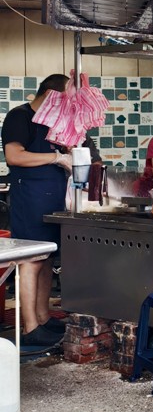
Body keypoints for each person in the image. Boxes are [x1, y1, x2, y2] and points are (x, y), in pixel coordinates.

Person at [0, 73, 100, 350]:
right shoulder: (20, 117)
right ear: (49, 95)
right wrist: (57, 157)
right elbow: (14, 155)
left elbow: (92, 156)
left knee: (44, 258)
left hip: (55, 200)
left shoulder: (59, 123)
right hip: (30, 198)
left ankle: (43, 318)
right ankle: (30, 327)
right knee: (30, 261)